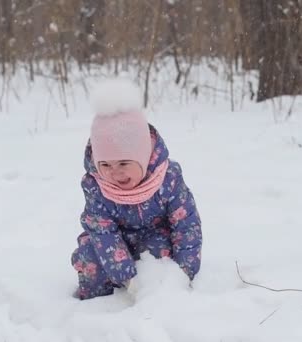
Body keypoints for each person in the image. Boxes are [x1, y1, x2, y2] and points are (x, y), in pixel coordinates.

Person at [70, 78, 203, 300]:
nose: (115, 173)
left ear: (142, 156)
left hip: (152, 236)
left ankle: (157, 295)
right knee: (90, 256)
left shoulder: (167, 179)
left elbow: (186, 225)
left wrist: (184, 271)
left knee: (160, 254)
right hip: (111, 243)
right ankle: (97, 305)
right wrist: (127, 277)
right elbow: (103, 231)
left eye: (123, 163)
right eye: (105, 165)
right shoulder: (96, 187)